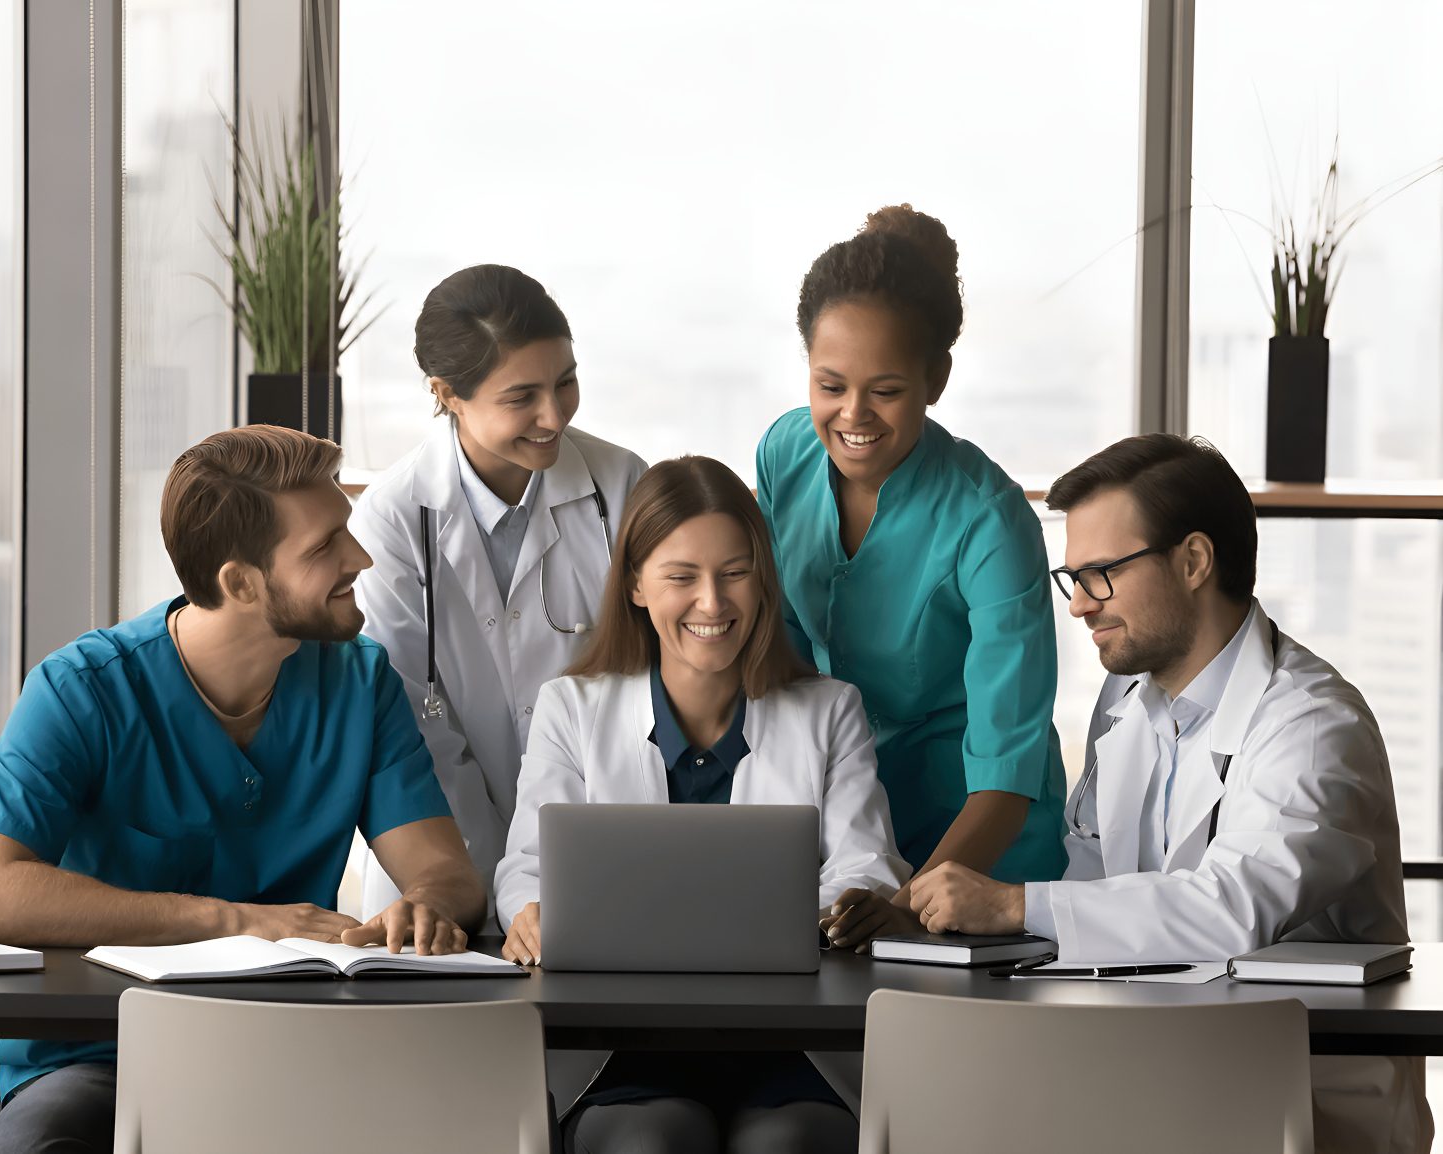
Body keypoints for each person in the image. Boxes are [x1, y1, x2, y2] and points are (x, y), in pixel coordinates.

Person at [0, 425, 486, 1154]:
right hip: (98, 1059)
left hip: (300, 1049)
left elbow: (445, 874)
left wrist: (423, 909)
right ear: (240, 583)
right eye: (325, 546)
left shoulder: (360, 682)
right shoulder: (81, 690)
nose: (359, 559)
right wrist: (234, 920)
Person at [904, 433, 1431, 1154]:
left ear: (1192, 562)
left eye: (1101, 575)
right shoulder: (1124, 702)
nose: (1080, 607)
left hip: (1297, 1095)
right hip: (1147, 1066)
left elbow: (1231, 909)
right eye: (1073, 579)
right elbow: (1094, 894)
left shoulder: (1311, 726)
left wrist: (1011, 903)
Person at [496, 455, 908, 1154]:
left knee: (787, 1143)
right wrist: (530, 914)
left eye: (735, 573)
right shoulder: (572, 707)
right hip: (623, 1049)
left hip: (794, 1047)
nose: (713, 604)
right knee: (649, 1142)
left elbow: (864, 863)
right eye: (681, 577)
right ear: (634, 584)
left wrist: (843, 903)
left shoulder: (829, 710)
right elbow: (527, 869)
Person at [755, 203, 1066, 919]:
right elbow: (785, 660)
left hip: (981, 843)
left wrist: (904, 903)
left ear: (937, 378)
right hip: (851, 820)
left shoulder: (991, 522)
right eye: (829, 386)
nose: (853, 416)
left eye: (886, 391)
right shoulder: (783, 454)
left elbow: (1006, 770)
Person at [354, 264, 647, 924]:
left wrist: (541, 875)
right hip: (439, 863)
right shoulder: (392, 517)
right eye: (522, 397)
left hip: (593, 847)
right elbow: (413, 725)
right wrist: (482, 882)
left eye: (565, 383)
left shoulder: (621, 485)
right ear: (447, 393)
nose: (554, 415)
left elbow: (645, 690)